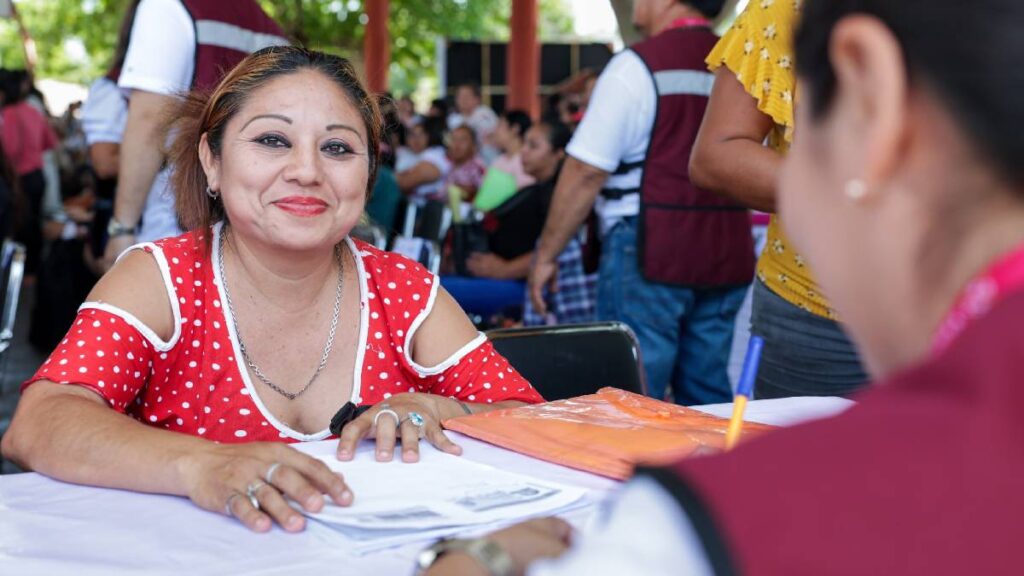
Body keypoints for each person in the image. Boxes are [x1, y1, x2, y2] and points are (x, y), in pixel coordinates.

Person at [420, 0, 1024, 573]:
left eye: (798, 129)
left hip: (654, 262)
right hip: (722, 265)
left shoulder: (711, 525)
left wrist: (476, 559)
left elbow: (585, 170)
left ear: (872, 94)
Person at [1, 47, 544, 534]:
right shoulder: (161, 278)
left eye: (337, 148)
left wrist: (441, 410)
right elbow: (41, 424)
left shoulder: (402, 289)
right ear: (212, 161)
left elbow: (531, 418)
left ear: (368, 174)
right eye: (271, 140)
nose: (307, 170)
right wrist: (203, 464)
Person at [529, 0, 753, 406]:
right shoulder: (738, 61)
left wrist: (547, 255)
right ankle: (707, 469)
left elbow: (586, 171)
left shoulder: (638, 65)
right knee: (706, 395)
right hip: (726, 245)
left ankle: (636, 471)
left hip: (649, 247)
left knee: (633, 398)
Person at [689, 0, 868, 399]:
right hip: (814, 316)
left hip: (982, 304)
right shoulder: (785, 11)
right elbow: (717, 154)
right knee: (810, 460)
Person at [102, 0, 288, 269]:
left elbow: (150, 120)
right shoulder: (269, 28)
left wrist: (122, 227)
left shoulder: (168, 6)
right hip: (252, 233)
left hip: (177, 226)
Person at [466, 121, 596, 326]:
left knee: (438, 290)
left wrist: (504, 269)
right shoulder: (535, 189)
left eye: (533, 146)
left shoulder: (560, 200)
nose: (523, 152)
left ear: (559, 154)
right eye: (524, 144)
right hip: (504, 277)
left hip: (528, 285)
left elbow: (560, 248)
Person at [0, 69, 59, 276]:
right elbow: (50, 142)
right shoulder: (33, 111)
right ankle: (32, 272)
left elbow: (10, 151)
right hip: (37, 175)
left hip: (19, 179)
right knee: (33, 222)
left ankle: (23, 273)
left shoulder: (7, 115)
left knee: (20, 227)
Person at [397, 116, 450, 202]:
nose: (416, 140)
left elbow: (405, 183)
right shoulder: (403, 152)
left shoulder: (435, 154)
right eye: (412, 135)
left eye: (421, 135)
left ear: (429, 136)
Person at [446, 83, 499, 162]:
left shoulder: (484, 114)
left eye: (466, 96)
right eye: (459, 96)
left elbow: (488, 143)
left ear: (477, 99)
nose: (462, 100)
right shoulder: (453, 119)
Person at [444, 125, 486, 202]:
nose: (457, 144)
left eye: (463, 140)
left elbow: (483, 194)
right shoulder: (449, 163)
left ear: (473, 145)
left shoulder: (478, 167)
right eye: (454, 139)